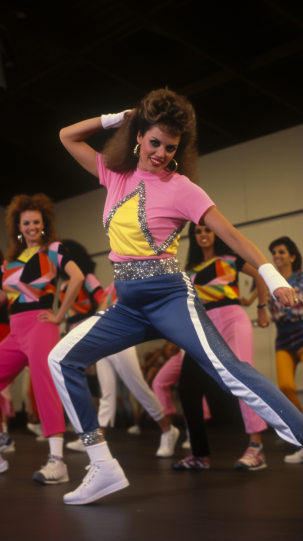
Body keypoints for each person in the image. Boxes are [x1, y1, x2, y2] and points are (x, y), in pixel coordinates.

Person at [48, 88, 302, 506]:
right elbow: (66, 136)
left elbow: (233, 236)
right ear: (137, 136)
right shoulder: (114, 174)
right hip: (127, 304)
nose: (162, 153)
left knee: (232, 372)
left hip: (169, 298)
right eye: (154, 142)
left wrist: (274, 278)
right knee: (61, 359)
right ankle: (103, 465)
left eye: (171, 147)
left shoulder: (182, 188)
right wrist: (119, 116)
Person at [60, 242, 179, 457]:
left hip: (122, 343)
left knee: (138, 387)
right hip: (105, 343)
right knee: (107, 394)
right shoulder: (111, 286)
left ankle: (168, 430)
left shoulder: (134, 281)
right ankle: (94, 440)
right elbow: (101, 311)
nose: (115, 260)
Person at [172, 223, 270, 471]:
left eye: (207, 230)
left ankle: (256, 447)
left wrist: (261, 307)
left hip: (233, 320)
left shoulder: (231, 258)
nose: (203, 234)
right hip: (203, 328)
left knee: (245, 379)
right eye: (198, 232)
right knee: (188, 387)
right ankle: (199, 455)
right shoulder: (190, 270)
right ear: (194, 238)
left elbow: (260, 273)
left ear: (215, 233)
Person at [0, 194, 84, 482]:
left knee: (43, 385)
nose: (32, 226)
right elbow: (4, 295)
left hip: (41, 324)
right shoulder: (11, 261)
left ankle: (57, 462)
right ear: (18, 227)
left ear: (44, 223)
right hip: (15, 329)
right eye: (26, 222)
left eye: (36, 221)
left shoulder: (54, 249)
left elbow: (77, 278)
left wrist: (60, 316)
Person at [268, 236, 303, 464]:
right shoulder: (270, 280)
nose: (277, 256)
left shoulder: (300, 278)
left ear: (291, 256)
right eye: (274, 253)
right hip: (282, 337)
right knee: (285, 387)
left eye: (281, 252)